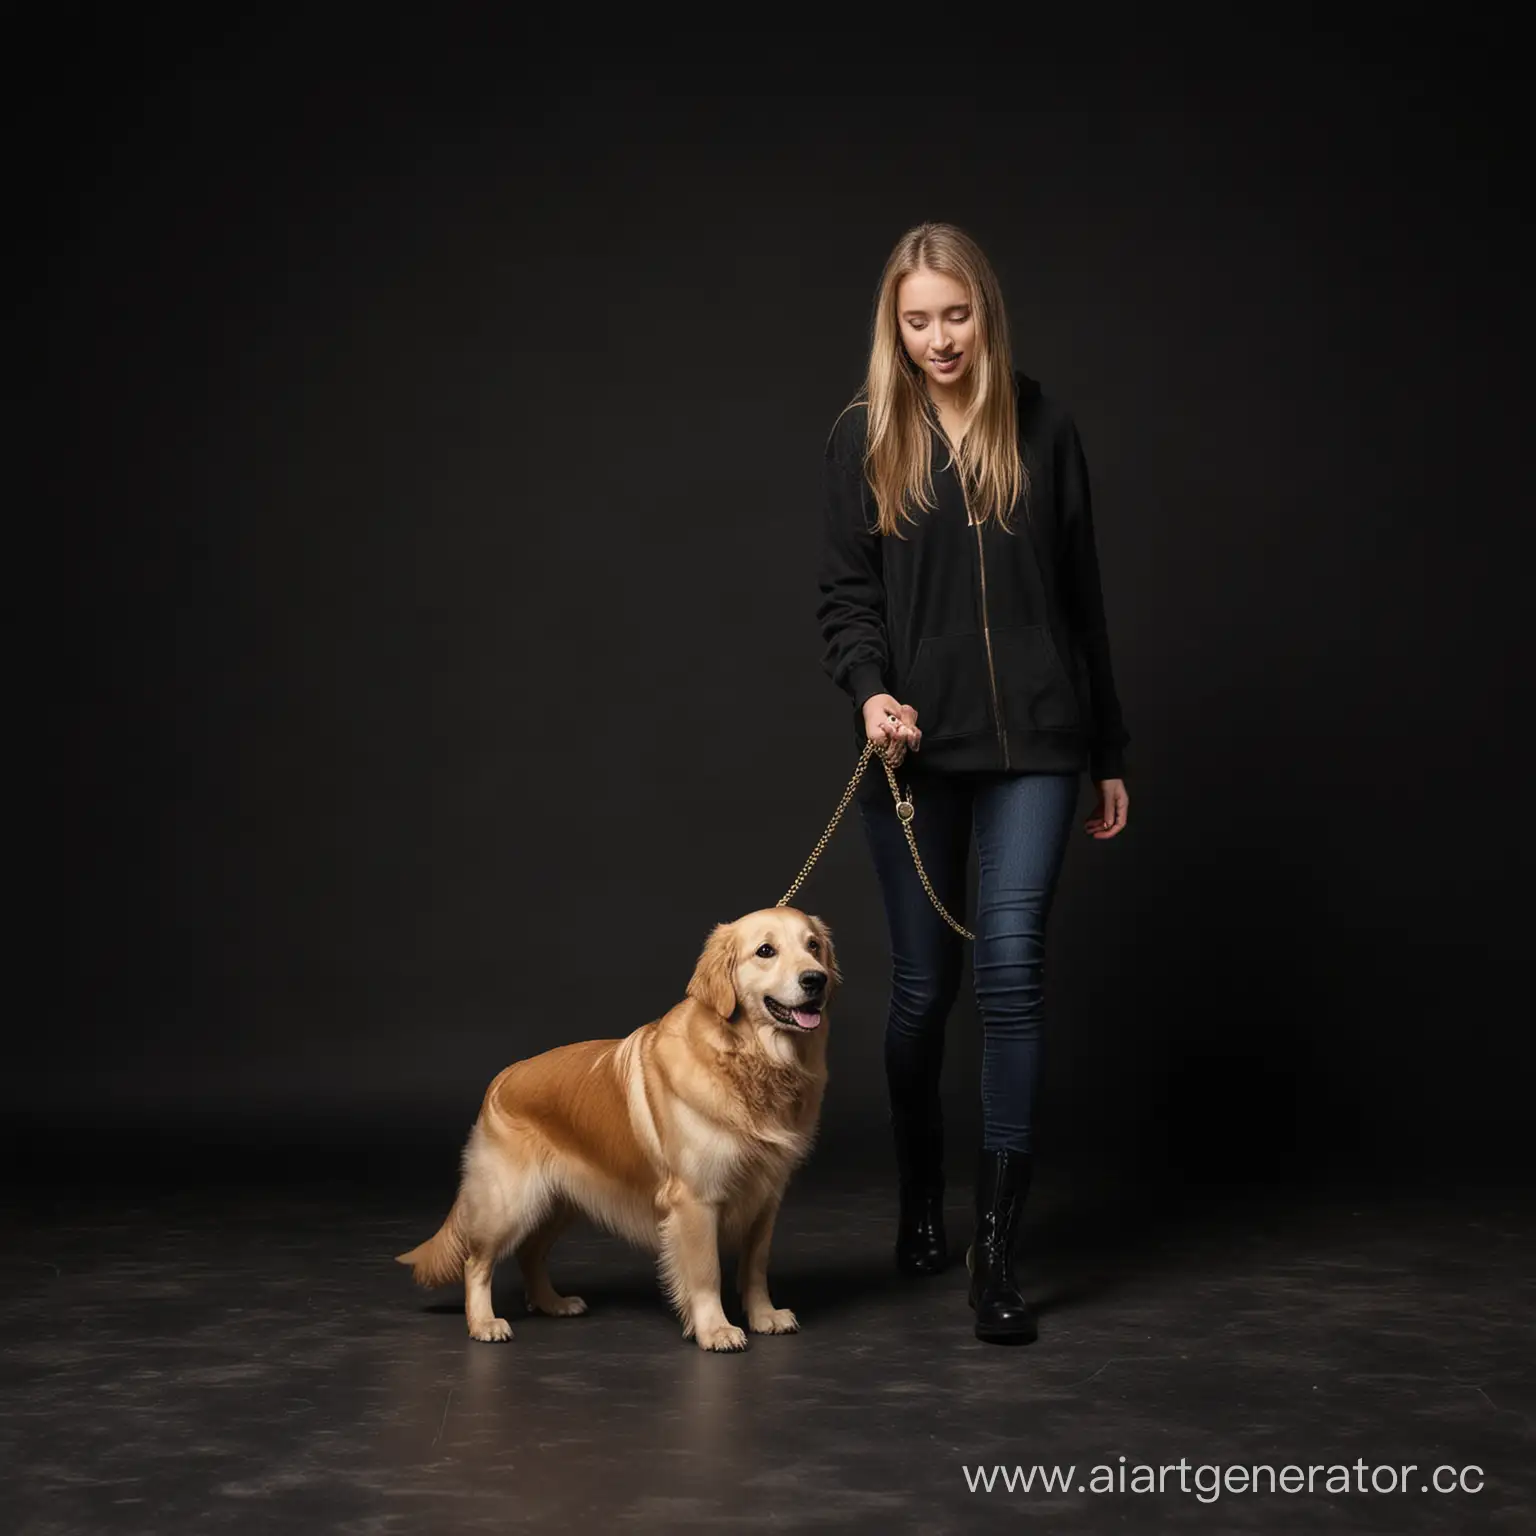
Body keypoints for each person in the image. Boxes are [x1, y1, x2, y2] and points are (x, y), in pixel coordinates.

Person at [815, 221, 1130, 1345]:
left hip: (1040, 750)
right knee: (920, 992)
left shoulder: (1043, 426)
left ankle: (995, 1254)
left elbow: (1082, 598)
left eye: (956, 315)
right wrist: (869, 693)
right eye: (917, 320)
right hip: (915, 756)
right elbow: (846, 597)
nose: (939, 339)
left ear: (983, 313)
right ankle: (918, 1197)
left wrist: (1106, 752)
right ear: (892, 328)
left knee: (1010, 972)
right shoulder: (866, 436)